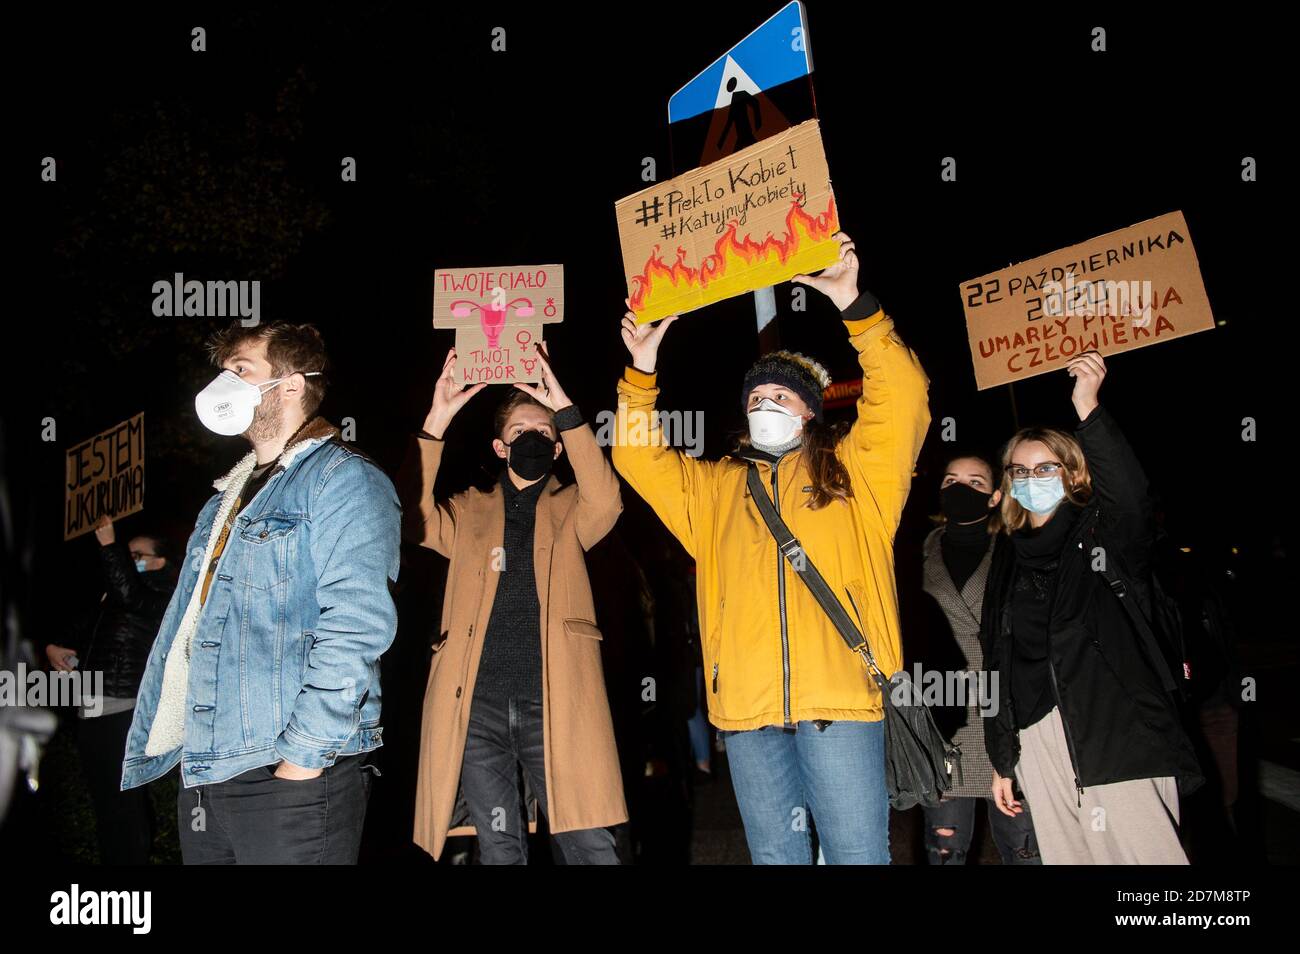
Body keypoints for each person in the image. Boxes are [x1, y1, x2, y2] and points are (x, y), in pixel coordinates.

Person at [612, 232, 930, 864]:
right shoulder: (716, 489)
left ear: (809, 412)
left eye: (781, 397)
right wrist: (641, 374)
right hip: (749, 714)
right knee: (776, 860)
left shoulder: (856, 474)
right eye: (756, 398)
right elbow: (636, 455)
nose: (764, 406)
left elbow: (905, 396)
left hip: (839, 704)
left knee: (857, 857)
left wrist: (855, 306)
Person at [120, 321, 400, 864]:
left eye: (240, 370)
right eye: (223, 372)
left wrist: (303, 758)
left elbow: (358, 623)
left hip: (287, 770)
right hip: (210, 767)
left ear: (291, 384)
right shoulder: (227, 496)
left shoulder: (344, 478)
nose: (223, 384)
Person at [406, 345, 626, 864]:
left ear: (558, 449)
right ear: (501, 448)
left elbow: (607, 500)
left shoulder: (573, 506)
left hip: (555, 697)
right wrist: (437, 417)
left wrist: (565, 411)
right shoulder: (466, 509)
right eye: (520, 433)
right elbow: (410, 518)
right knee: (499, 847)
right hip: (476, 705)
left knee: (588, 839)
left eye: (545, 435)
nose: (533, 439)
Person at [982, 352, 1203, 864]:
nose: (1031, 477)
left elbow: (1132, 498)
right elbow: (996, 659)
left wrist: (1089, 409)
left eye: (1045, 467)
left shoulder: (1104, 536)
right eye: (1020, 470)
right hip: (1036, 739)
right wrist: (1002, 758)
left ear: (1073, 473)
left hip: (1116, 728)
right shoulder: (1007, 556)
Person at [914, 456, 1040, 864]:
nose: (960, 489)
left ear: (995, 496)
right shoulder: (916, 550)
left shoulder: (1017, 550)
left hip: (1008, 716)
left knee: (1024, 849)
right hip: (943, 713)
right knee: (944, 850)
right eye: (951, 480)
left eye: (975, 481)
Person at [47, 515, 177, 864]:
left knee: (124, 803)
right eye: (127, 555)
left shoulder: (163, 594)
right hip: (92, 708)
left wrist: (109, 546)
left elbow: (130, 596)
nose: (128, 559)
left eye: (136, 555)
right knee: (104, 801)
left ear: (159, 561)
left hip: (122, 710)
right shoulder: (117, 593)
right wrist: (55, 645)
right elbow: (89, 622)